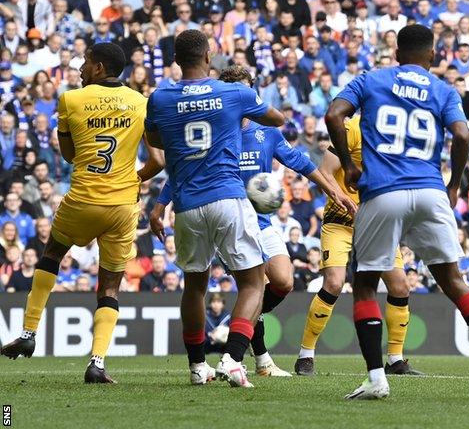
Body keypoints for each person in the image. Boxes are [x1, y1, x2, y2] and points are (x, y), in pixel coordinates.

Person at [325, 24, 469, 400]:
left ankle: (376, 378)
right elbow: (463, 136)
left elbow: (335, 116)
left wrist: (350, 165)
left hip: (383, 192)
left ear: (397, 53)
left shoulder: (370, 79)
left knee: (365, 282)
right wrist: (455, 183)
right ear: (432, 56)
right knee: (453, 281)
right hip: (431, 191)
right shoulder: (444, 90)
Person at [150, 66, 350, 377]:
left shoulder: (265, 132)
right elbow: (182, 169)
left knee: (282, 281)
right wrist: (161, 205)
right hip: (229, 216)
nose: (248, 98)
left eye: (250, 91)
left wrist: (332, 189)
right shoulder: (216, 128)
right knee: (254, 284)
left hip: (262, 220)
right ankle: (256, 359)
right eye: (241, 92)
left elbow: (298, 160)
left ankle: (240, 324)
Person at [2, 43, 164, 384]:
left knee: (51, 255)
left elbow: (69, 155)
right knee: (109, 287)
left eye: (86, 63)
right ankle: (98, 363)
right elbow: (158, 162)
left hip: (83, 200)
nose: (81, 69)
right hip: (122, 207)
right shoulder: (141, 103)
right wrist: (131, 180)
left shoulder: (70, 100)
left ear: (100, 68)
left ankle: (29, 333)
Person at [143, 30, 289, 388]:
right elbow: (277, 119)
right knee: (253, 283)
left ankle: (197, 368)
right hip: (227, 197)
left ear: (175, 59)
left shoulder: (159, 98)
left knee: (195, 287)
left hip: (187, 205)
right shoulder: (233, 93)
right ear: (209, 57)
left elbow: (157, 139)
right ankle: (233, 359)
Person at [295, 112, 423, 377]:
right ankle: (305, 355)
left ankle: (395, 359)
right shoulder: (352, 128)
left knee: (400, 285)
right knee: (333, 282)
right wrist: (342, 198)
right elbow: (325, 172)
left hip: (377, 224)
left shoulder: (397, 134)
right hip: (340, 220)